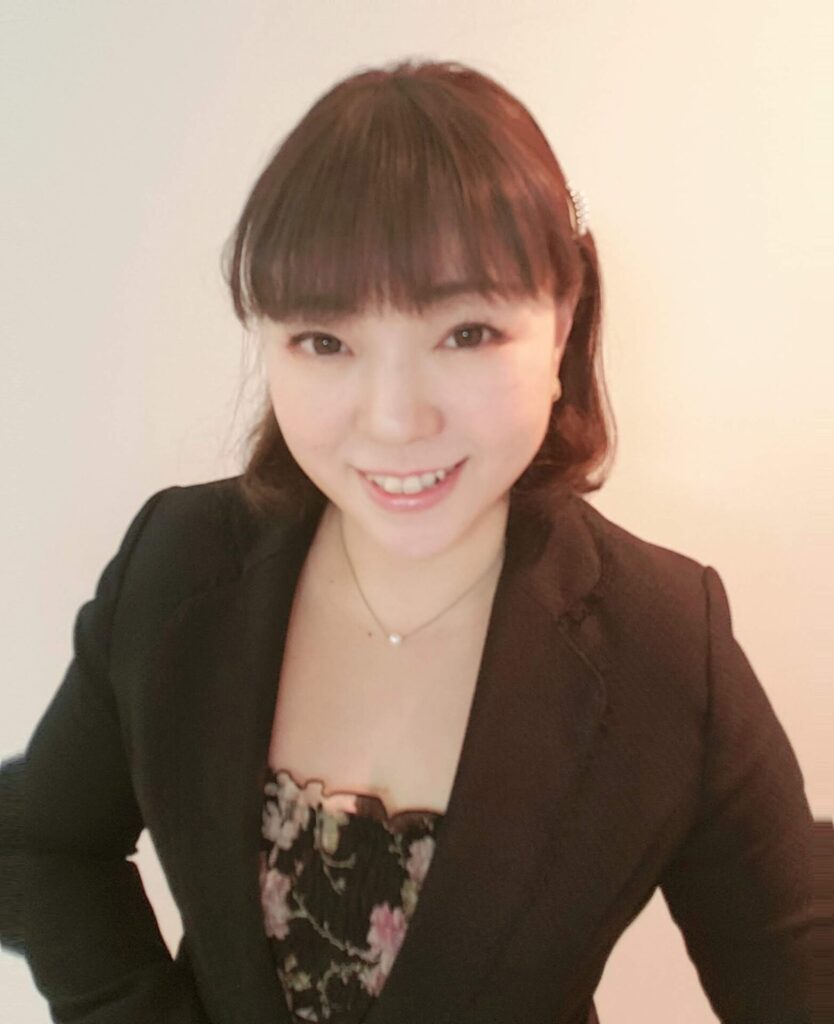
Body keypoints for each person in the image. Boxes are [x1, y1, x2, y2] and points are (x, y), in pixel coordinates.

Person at [0, 58, 828, 1024]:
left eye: (467, 333)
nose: (395, 421)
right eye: (325, 342)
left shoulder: (665, 642)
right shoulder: (177, 564)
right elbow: (40, 844)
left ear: (563, 325)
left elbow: (798, 971)